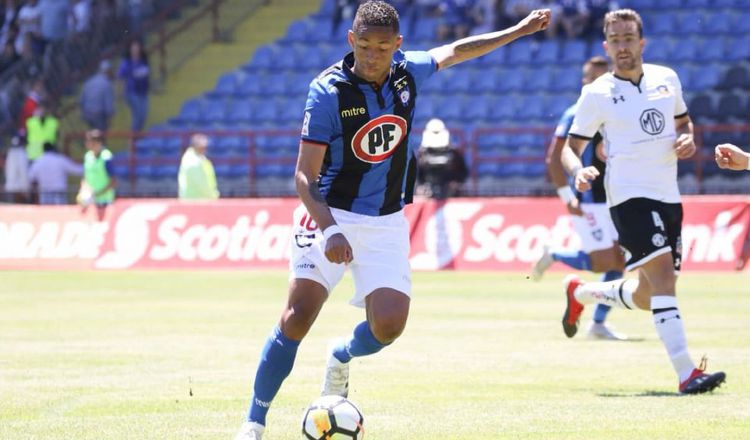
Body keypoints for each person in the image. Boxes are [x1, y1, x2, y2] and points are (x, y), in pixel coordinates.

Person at [234, 2, 551, 439]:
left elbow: (458, 50)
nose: (372, 55)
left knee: (389, 325)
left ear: (397, 45)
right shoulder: (327, 91)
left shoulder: (408, 71)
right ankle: (253, 423)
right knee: (298, 315)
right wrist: (330, 229)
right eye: (364, 45)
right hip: (329, 212)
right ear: (351, 40)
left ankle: (340, 355)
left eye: (382, 47)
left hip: (384, 220)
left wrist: (515, 31)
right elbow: (304, 176)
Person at [559, 9, 725, 394]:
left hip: (669, 195)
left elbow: (684, 122)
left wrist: (687, 138)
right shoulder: (596, 93)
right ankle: (687, 373)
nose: (622, 46)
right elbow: (572, 147)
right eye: (614, 40)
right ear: (606, 45)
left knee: (650, 295)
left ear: (641, 42)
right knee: (665, 280)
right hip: (629, 198)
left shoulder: (667, 79)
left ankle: (581, 292)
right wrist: (578, 172)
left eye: (628, 38)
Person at [532, 56, 626, 341]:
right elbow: (554, 158)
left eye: (602, 76)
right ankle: (556, 255)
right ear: (584, 82)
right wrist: (567, 196)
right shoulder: (576, 111)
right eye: (591, 77)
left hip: (617, 197)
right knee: (604, 264)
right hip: (591, 200)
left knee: (619, 262)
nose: (596, 82)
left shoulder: (618, 108)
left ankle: (597, 323)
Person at [416, 117, 468, 199]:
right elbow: (418, 174)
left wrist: (456, 183)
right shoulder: (422, 154)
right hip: (428, 192)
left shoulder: (454, 153)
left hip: (450, 192)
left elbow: (463, 172)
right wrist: (421, 186)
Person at [80, 129, 115, 221]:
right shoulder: (87, 156)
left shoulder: (106, 157)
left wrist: (97, 194)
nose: (87, 143)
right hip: (91, 201)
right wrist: (84, 191)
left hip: (105, 201)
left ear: (98, 142)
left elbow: (113, 182)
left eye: (89, 141)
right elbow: (85, 177)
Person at [118, 39, 150, 132]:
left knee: (143, 116)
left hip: (143, 92)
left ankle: (138, 136)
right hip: (132, 92)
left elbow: (146, 76)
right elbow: (120, 77)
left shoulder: (143, 61)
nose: (135, 50)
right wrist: (120, 92)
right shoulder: (126, 63)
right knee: (137, 115)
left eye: (137, 48)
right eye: (133, 48)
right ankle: (133, 140)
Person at [178, 133, 219, 200]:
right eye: (202, 147)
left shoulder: (198, 158)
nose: (204, 149)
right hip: (195, 200)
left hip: (198, 199)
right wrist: (213, 195)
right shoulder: (193, 161)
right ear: (195, 146)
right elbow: (201, 184)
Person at [80, 59, 115, 131]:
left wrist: (83, 112)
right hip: (98, 115)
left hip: (87, 113)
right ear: (108, 71)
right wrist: (110, 118)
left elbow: (82, 99)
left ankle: (91, 141)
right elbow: (108, 104)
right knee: (100, 135)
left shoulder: (90, 81)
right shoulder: (107, 84)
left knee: (92, 132)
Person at [3, 135, 30, 203]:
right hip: (19, 189)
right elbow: (23, 172)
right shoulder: (22, 154)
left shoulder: (10, 153)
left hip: (10, 188)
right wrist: (25, 189)